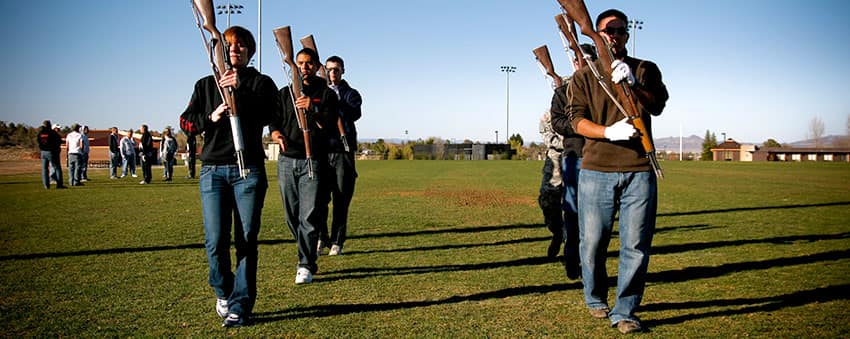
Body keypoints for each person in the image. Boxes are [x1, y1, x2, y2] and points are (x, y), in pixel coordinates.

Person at [559, 9, 669, 334]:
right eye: (608, 31)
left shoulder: (645, 69)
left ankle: (625, 311)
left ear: (627, 35)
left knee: (635, 245)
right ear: (598, 34)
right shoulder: (583, 76)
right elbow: (575, 119)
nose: (615, 36)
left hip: (640, 169)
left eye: (620, 30)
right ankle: (594, 298)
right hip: (596, 169)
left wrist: (633, 84)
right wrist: (607, 132)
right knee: (592, 243)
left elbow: (658, 105)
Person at [179, 26, 278, 327]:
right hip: (213, 171)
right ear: (219, 51)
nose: (234, 50)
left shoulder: (261, 83)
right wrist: (212, 117)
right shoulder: (205, 85)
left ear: (250, 51)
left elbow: (270, 115)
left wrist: (242, 94)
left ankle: (240, 305)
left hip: (248, 171)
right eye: (229, 46)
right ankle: (224, 290)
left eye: (241, 46)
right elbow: (185, 122)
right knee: (215, 240)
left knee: (246, 240)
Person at [269, 47, 338, 285]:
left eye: (309, 63)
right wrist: (276, 134)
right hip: (287, 161)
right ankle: (309, 248)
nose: (304, 67)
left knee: (308, 215)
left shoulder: (326, 94)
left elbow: (329, 125)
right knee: (292, 216)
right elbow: (274, 122)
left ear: (316, 65)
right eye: (300, 63)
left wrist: (313, 108)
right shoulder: (284, 93)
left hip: (313, 160)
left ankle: (305, 264)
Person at [549, 43, 598, 280]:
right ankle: (572, 260)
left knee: (598, 215)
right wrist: (582, 126)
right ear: (574, 63)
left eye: (587, 59)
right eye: (579, 60)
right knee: (572, 211)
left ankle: (591, 263)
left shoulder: (603, 89)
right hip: (574, 158)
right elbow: (557, 122)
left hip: (601, 158)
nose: (582, 63)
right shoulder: (562, 92)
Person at [316, 55, 362, 256]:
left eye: (336, 69)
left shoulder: (351, 94)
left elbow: (354, 114)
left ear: (342, 71)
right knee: (319, 199)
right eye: (329, 69)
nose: (332, 73)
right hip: (321, 151)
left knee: (341, 199)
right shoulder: (318, 92)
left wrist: (334, 103)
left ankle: (337, 241)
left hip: (343, 152)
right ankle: (320, 237)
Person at [37, 120, 66, 189]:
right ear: (49, 125)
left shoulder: (40, 133)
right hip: (51, 152)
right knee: (57, 167)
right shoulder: (52, 133)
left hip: (43, 152)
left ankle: (46, 185)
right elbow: (59, 141)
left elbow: (38, 141)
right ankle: (59, 185)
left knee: (44, 169)